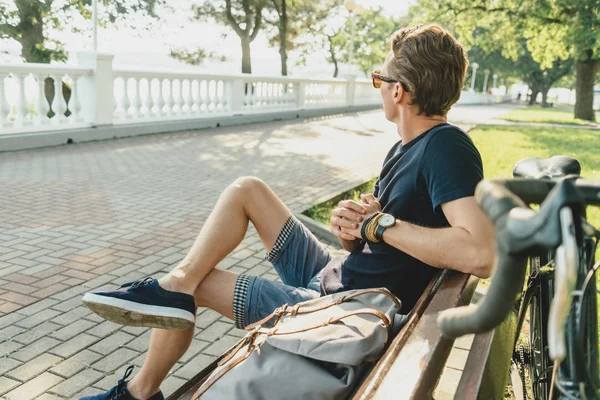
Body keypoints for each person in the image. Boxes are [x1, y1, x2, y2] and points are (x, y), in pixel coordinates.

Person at [80, 24, 496, 400]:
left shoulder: (445, 146)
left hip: (338, 307)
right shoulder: (404, 148)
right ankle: (173, 284)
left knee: (198, 285)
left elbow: (479, 252)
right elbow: (382, 235)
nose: (378, 87)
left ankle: (138, 392)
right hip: (337, 273)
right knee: (248, 190)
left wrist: (381, 224)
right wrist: (354, 228)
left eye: (379, 79)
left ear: (398, 91)